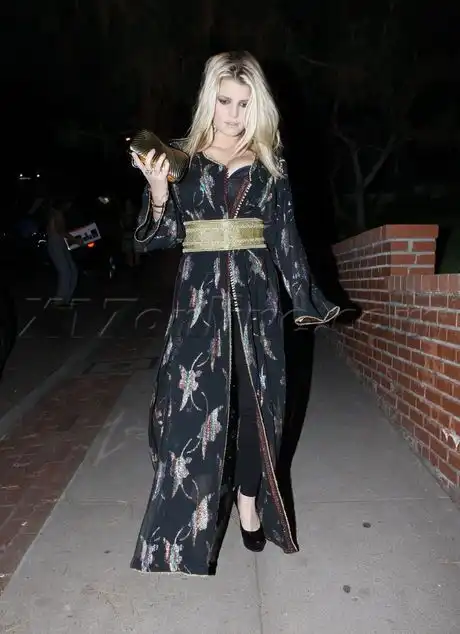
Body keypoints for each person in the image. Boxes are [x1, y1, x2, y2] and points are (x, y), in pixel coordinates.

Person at [130, 51, 340, 576]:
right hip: (198, 300)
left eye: (245, 104)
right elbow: (158, 239)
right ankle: (183, 528)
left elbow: (285, 236)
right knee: (186, 410)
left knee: (256, 407)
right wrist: (158, 191)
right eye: (225, 102)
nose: (234, 114)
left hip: (255, 297)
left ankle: (248, 499)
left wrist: (306, 298)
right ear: (210, 100)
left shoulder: (269, 161)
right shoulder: (180, 157)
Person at [46, 201, 81, 307]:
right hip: (56, 243)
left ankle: (65, 299)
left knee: (71, 270)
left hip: (59, 243)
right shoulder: (57, 214)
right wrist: (75, 240)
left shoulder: (55, 213)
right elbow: (61, 231)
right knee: (66, 271)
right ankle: (60, 300)